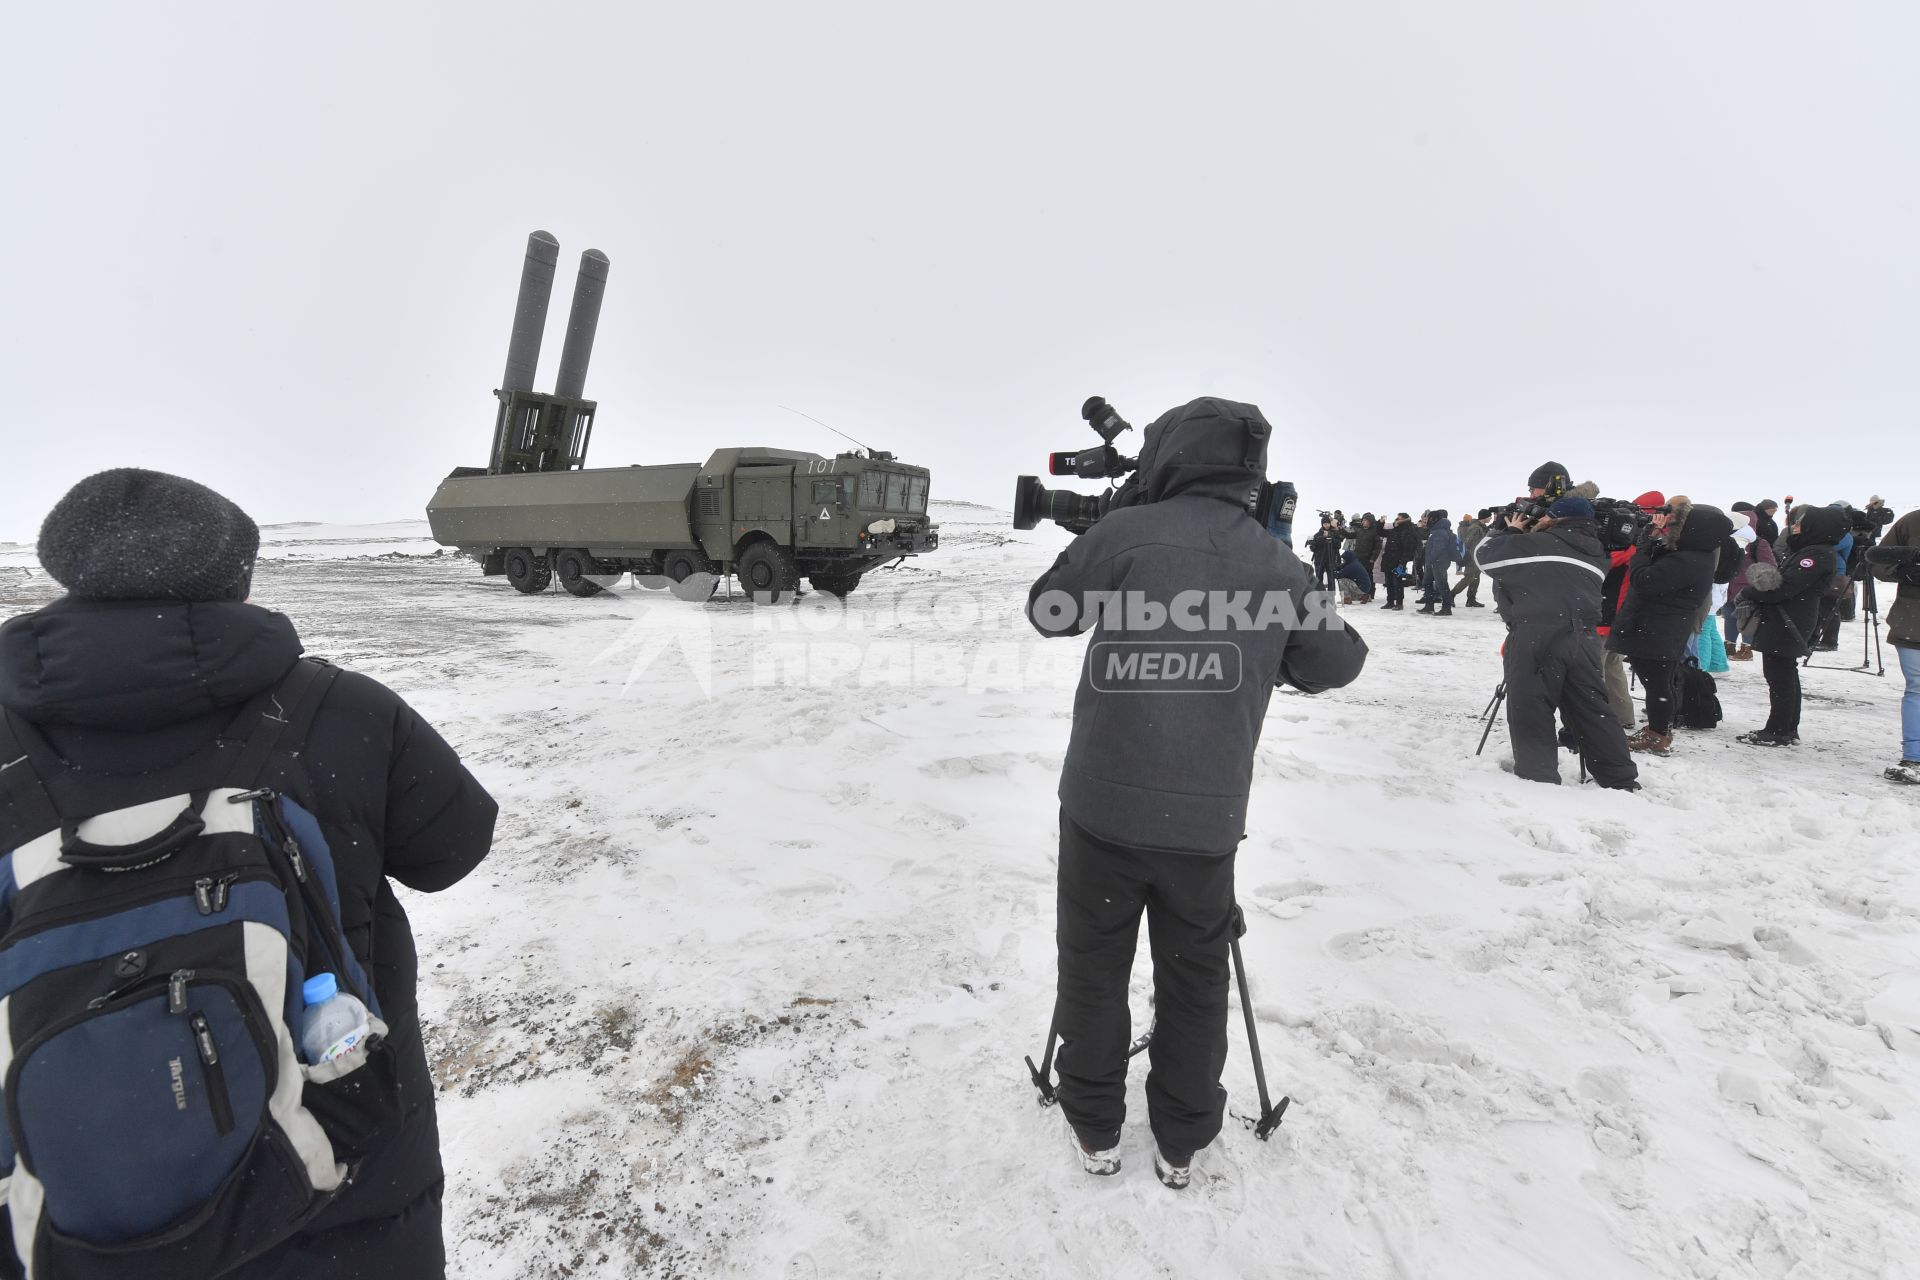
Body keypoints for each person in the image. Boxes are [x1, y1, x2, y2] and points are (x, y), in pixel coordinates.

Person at [0, 469, 499, 1278]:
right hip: (347, 1188)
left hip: (76, 1223)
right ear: (236, 574)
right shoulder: (343, 712)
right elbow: (456, 847)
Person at [1026, 398, 1367, 1188]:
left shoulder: (1128, 530)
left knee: (1093, 967)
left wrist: (1117, 529)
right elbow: (1336, 663)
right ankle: (1180, 1141)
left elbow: (1049, 612)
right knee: (1195, 976)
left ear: (1168, 456)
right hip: (1206, 822)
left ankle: (1095, 1127)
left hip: (1102, 810)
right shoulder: (1278, 566)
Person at [1476, 492, 1638, 789]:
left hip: (1537, 632)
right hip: (1584, 636)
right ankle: (1620, 778)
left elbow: (1483, 556)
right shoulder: (1597, 551)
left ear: (1554, 517)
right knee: (1592, 708)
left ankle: (1539, 777)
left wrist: (1510, 529)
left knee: (1531, 703)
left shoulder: (1538, 544)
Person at [1607, 498, 1734, 755]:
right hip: (1662, 627)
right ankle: (1659, 729)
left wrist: (1642, 549)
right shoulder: (1696, 554)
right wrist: (1653, 538)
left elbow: (1645, 580)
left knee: (1657, 684)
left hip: (1658, 628)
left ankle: (1658, 734)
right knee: (1659, 682)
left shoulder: (1689, 560)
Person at [1733, 505, 1849, 746]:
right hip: (1788, 618)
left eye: (1801, 523)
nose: (1795, 527)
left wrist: (1750, 592)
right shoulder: (1813, 550)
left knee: (1779, 676)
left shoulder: (1815, 554)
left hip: (1789, 620)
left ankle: (1778, 730)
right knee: (1784, 673)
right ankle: (1785, 727)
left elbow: (1784, 589)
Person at [1867, 506, 1920, 783]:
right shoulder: (1912, 521)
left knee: (1917, 689)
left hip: (1913, 620)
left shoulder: (1913, 521)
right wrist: (1908, 570)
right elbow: (1879, 563)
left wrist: (1906, 570)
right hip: (1913, 620)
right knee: (1917, 688)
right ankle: (1914, 757)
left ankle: (1915, 757)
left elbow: (1880, 563)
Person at [1418, 509, 1461, 615]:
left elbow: (1439, 548)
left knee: (1441, 585)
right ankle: (1429, 606)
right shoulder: (1436, 530)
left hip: (1437, 563)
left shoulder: (1439, 532)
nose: (1427, 520)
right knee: (1427, 583)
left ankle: (1446, 608)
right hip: (1434, 562)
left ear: (1434, 519)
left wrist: (1431, 559)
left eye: (1428, 518)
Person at [1380, 513, 1420, 610]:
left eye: (1399, 518)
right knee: (1388, 582)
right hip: (1389, 559)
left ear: (1404, 520)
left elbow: (1408, 548)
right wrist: (1380, 523)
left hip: (1398, 560)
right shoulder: (1394, 529)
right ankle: (1390, 601)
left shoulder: (1407, 531)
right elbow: (1380, 532)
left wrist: (1403, 562)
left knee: (1397, 582)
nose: (1397, 519)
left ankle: (1399, 603)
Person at [1450, 510, 1490, 608]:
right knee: (1468, 578)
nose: (1491, 518)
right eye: (1490, 516)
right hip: (1472, 557)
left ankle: (1471, 600)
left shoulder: (1481, 527)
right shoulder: (1475, 528)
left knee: (1475, 579)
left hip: (1478, 557)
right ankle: (1451, 595)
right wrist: (1473, 552)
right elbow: (1467, 542)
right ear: (1484, 517)